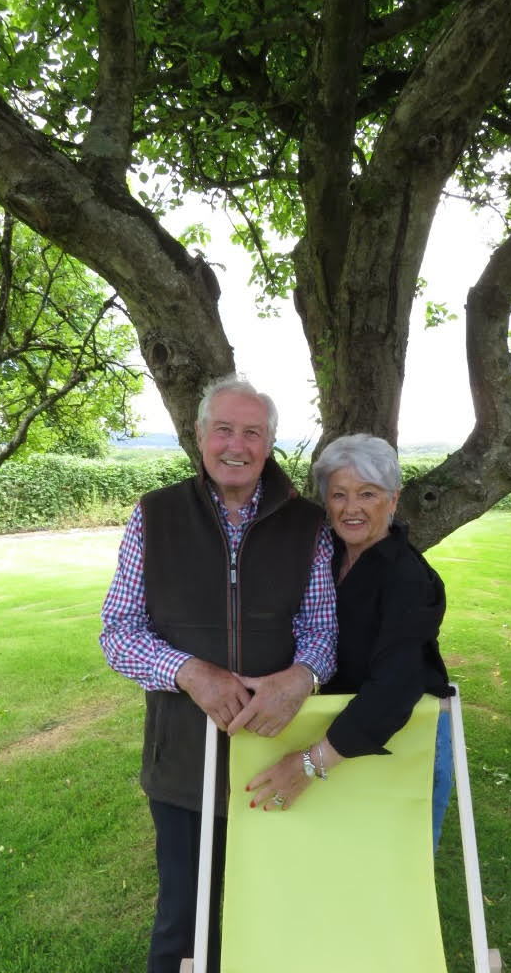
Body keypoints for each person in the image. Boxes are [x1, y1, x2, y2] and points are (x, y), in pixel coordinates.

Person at [100, 374, 338, 973]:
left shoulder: (309, 525)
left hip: (278, 760)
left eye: (252, 432)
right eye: (224, 429)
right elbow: (118, 632)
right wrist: (187, 671)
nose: (237, 444)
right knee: (185, 920)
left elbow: (323, 631)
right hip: (181, 762)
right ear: (200, 436)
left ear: (270, 443)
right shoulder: (154, 517)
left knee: (278, 914)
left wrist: (303, 675)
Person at [243, 433, 453, 853]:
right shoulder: (327, 556)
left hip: (399, 736)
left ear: (393, 500)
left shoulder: (408, 579)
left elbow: (395, 689)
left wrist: (308, 764)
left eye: (368, 494)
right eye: (339, 495)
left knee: (389, 868)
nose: (351, 508)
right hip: (338, 733)